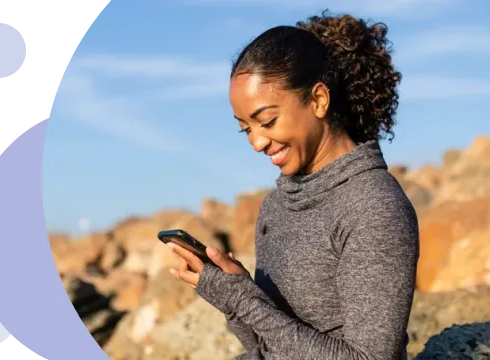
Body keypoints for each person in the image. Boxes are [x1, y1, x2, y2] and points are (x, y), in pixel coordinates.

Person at [167, 11, 419, 360]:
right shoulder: (276, 206)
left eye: (267, 121)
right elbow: (267, 348)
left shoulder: (374, 206)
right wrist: (230, 296)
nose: (257, 142)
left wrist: (241, 298)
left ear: (318, 100)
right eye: (246, 129)